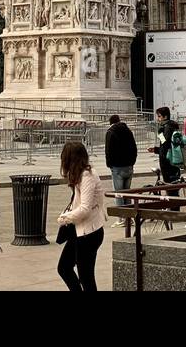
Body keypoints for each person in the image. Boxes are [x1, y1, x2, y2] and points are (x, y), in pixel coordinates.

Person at [56, 140, 107, 292]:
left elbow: (85, 208)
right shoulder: (80, 175)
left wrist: (65, 218)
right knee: (64, 267)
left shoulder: (87, 176)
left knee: (86, 276)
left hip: (89, 233)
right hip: (80, 230)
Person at [104, 114, 137, 226]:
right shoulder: (128, 131)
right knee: (127, 192)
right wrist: (132, 162)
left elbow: (108, 150)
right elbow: (134, 148)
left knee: (118, 193)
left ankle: (121, 218)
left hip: (117, 166)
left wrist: (109, 164)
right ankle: (129, 217)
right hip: (129, 166)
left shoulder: (110, 132)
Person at [148, 107, 181, 183]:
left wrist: (159, 134)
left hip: (168, 162)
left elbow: (165, 144)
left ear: (165, 117)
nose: (158, 119)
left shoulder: (167, 128)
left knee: (170, 186)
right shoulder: (171, 126)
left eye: (159, 116)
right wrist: (155, 149)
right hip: (173, 160)